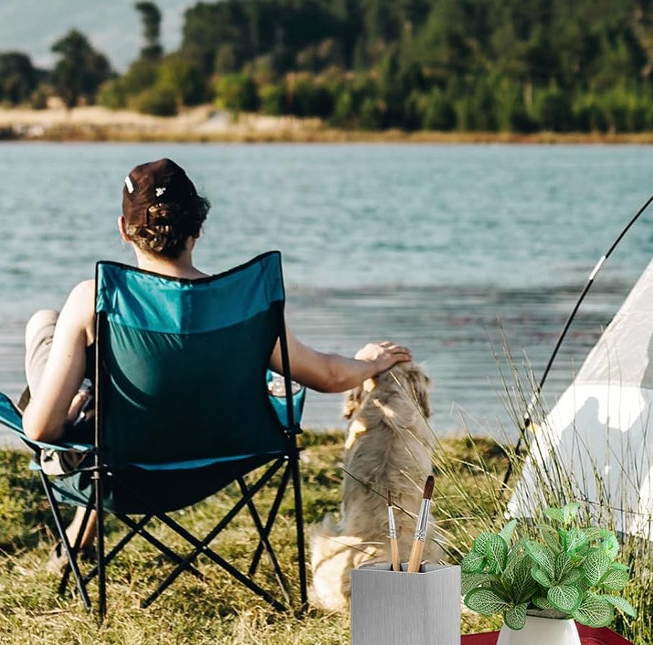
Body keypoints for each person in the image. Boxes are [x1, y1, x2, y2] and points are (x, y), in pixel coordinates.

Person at [21, 157, 412, 560]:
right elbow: (328, 374)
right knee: (114, 396)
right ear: (198, 229)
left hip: (118, 470)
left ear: (124, 230)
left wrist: (65, 415)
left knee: (45, 325)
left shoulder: (95, 297)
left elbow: (41, 429)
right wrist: (368, 362)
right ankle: (77, 531)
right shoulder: (244, 303)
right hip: (217, 466)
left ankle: (80, 399)